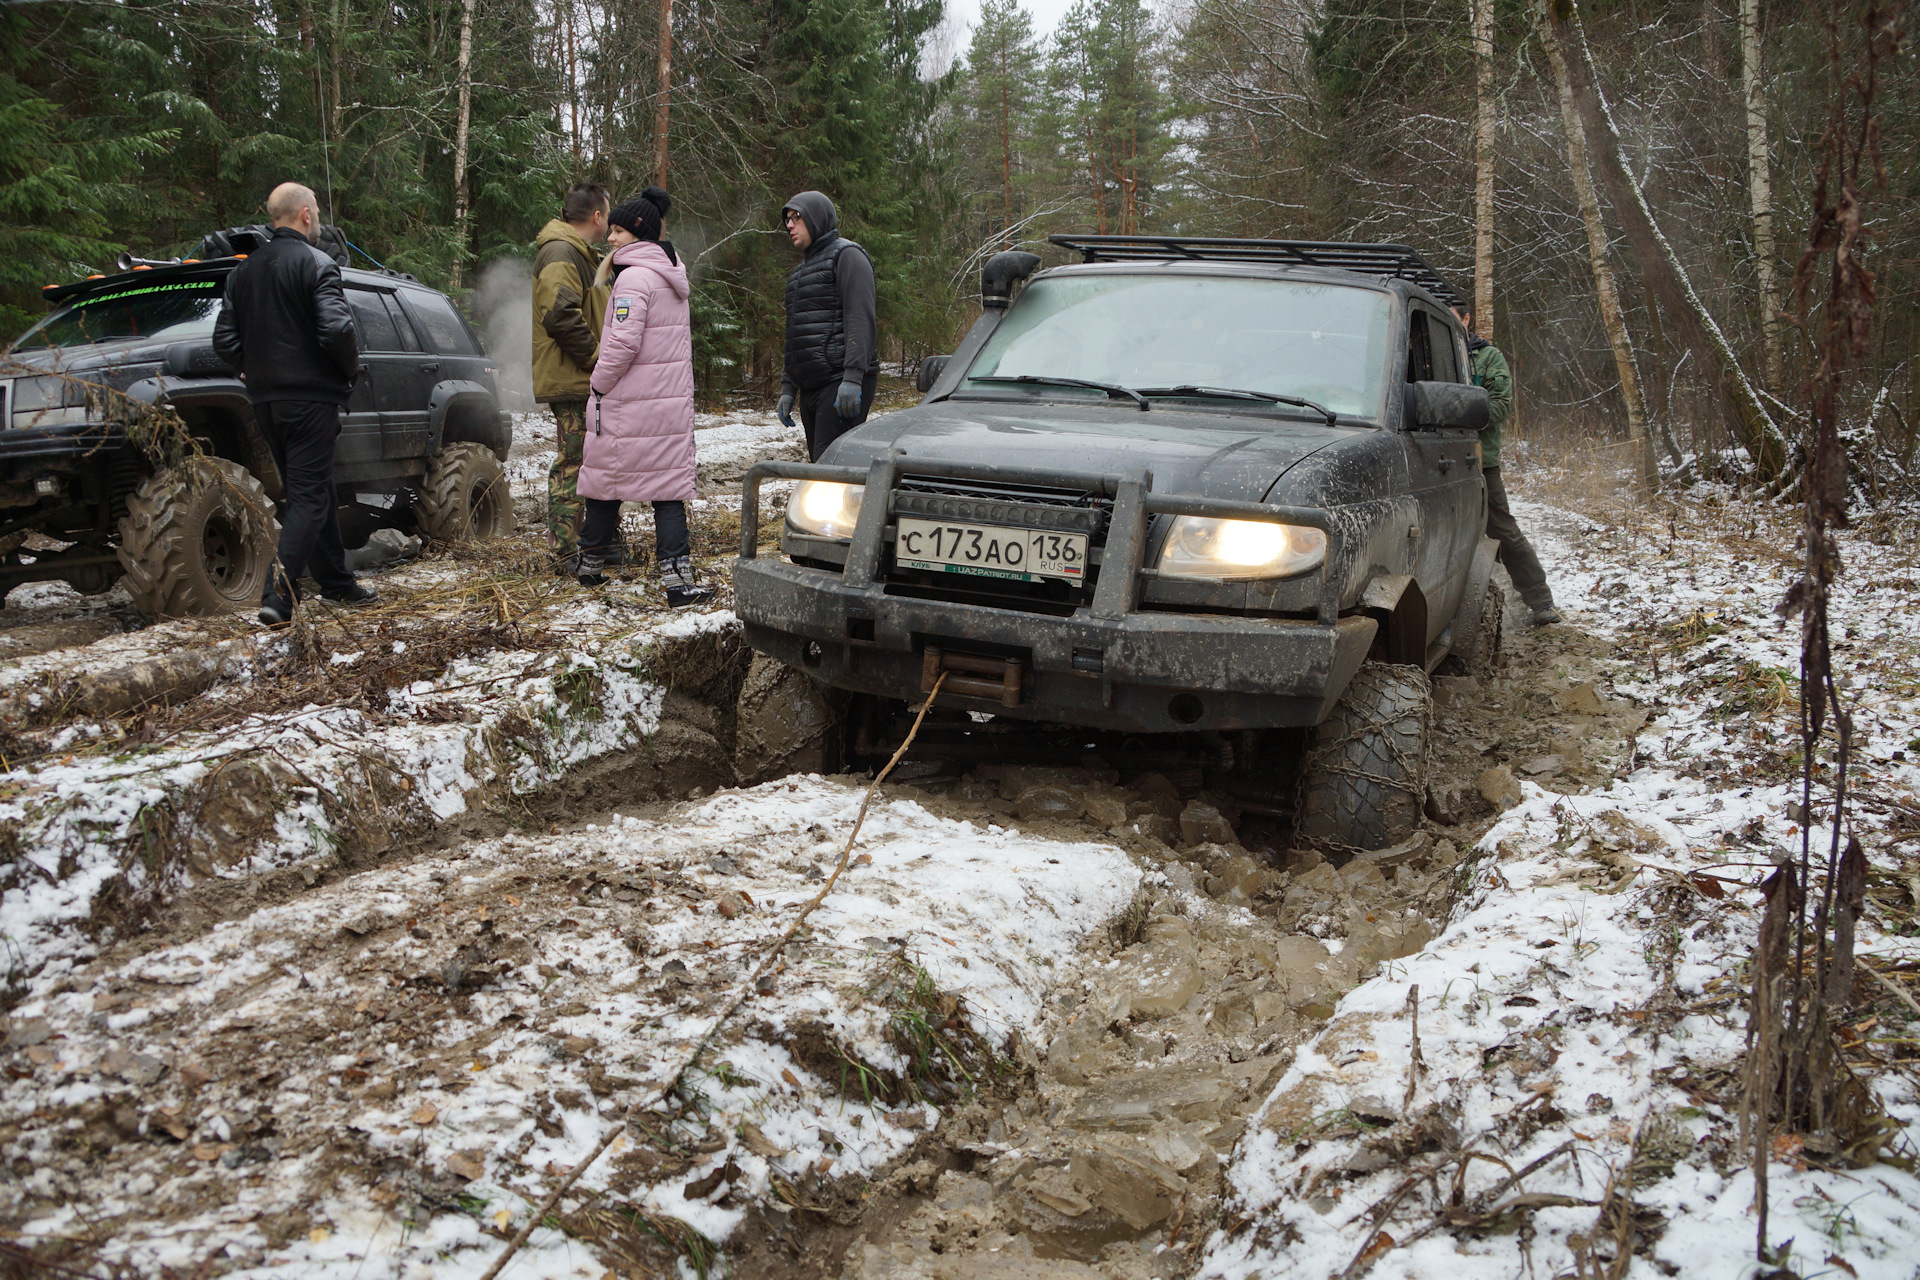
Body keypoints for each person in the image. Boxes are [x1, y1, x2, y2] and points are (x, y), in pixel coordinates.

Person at [213, 181, 375, 625]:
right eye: (317, 213)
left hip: (265, 401)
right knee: (308, 497)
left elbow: (223, 340)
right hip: (310, 398)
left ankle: (337, 583)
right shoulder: (318, 264)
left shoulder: (242, 272)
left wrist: (251, 368)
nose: (319, 220)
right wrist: (345, 372)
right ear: (306, 215)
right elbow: (337, 331)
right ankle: (278, 597)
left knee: (313, 490)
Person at [576, 190, 715, 608]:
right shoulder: (671, 277)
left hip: (627, 405)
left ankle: (588, 567)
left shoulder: (633, 278)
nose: (610, 239)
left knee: (605, 484)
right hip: (666, 407)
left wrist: (597, 385)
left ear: (638, 234)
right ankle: (678, 584)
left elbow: (621, 345)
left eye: (617, 231)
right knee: (667, 491)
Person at [1454, 306, 1561, 627]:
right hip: (1431, 459)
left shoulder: (1488, 358)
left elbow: (1499, 407)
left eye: (1453, 317)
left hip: (1479, 462)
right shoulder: (1423, 351)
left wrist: (1454, 409)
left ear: (1466, 319)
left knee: (1501, 529)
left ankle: (1540, 600)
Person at [533, 183, 612, 572]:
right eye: (608, 216)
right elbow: (559, 315)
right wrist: (598, 361)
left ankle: (600, 541)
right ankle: (565, 551)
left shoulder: (580, 253)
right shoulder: (562, 252)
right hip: (574, 378)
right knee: (574, 463)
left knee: (593, 461)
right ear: (597, 216)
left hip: (583, 379)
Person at [777, 191, 878, 460]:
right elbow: (795, 335)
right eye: (787, 219)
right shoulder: (799, 273)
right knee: (821, 465)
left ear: (816, 218)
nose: (789, 225)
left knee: (831, 469)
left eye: (795, 217)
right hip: (812, 386)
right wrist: (789, 388)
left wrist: (853, 377)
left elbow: (860, 319)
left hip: (840, 382)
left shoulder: (847, 256)